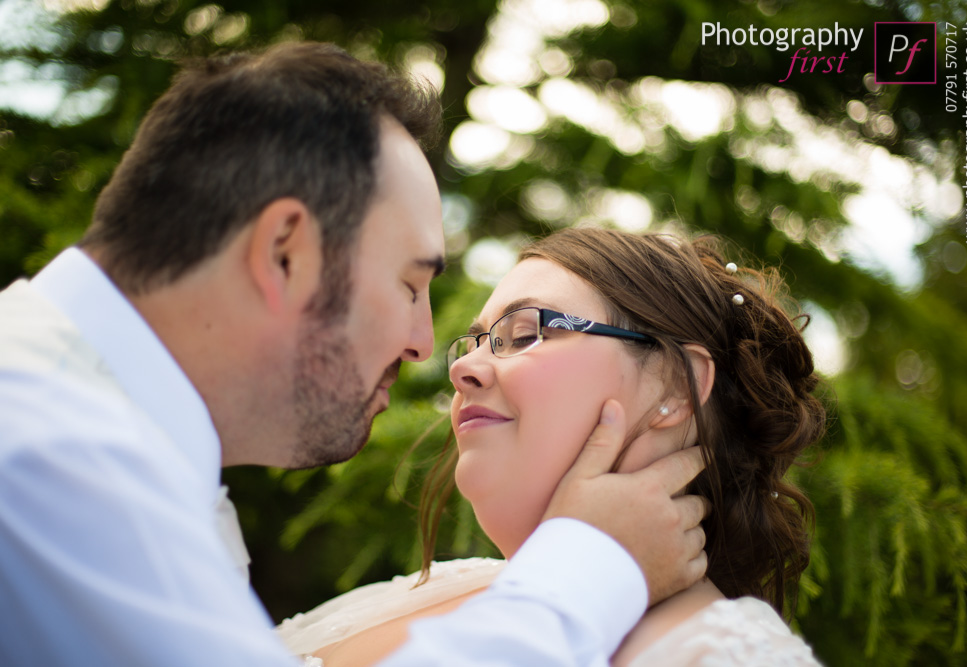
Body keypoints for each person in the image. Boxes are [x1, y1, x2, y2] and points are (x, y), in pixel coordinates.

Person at [0, 43, 711, 666]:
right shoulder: (51, 450)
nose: (427, 345)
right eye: (409, 283)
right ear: (285, 253)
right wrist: (593, 563)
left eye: (524, 332)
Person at [277, 227, 827, 665]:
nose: (463, 367)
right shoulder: (450, 588)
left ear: (678, 387)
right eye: (470, 343)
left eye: (523, 333)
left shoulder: (720, 657)